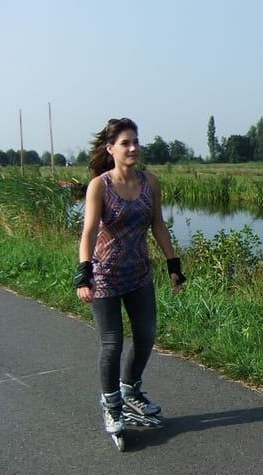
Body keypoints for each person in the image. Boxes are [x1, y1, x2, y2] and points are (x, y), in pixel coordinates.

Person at [74, 118, 185, 435]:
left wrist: (173, 264)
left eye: (135, 141)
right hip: (106, 276)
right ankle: (111, 406)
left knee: (147, 335)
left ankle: (130, 389)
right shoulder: (100, 186)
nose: (133, 147)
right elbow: (89, 232)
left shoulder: (150, 182)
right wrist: (84, 274)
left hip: (138, 274)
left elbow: (158, 224)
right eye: (125, 143)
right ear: (110, 149)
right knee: (112, 344)